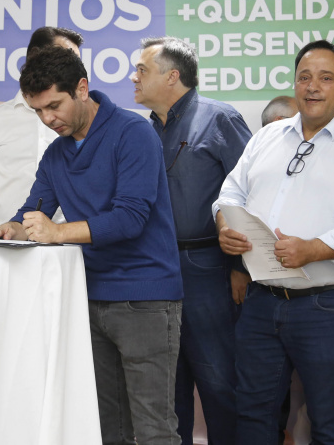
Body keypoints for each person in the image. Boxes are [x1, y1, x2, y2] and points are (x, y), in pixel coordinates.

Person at [0, 46, 183, 445]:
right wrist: (9, 229)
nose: (48, 119)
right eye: (38, 111)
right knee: (106, 427)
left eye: (54, 105)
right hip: (86, 298)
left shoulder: (134, 133)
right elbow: (31, 210)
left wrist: (57, 232)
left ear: (82, 88)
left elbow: (130, 218)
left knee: (154, 429)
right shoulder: (56, 153)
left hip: (145, 299)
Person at [214, 40, 334, 444]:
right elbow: (229, 193)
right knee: (252, 416)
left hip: (328, 306)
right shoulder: (267, 137)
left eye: (325, 78)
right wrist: (223, 226)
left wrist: (315, 249)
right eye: (304, 77)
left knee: (332, 423)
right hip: (261, 302)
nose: (312, 86)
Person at [131, 36, 251, 444]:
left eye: (142, 70)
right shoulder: (142, 131)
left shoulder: (220, 119)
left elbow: (250, 197)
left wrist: (240, 268)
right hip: (154, 272)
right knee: (167, 387)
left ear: (172, 76)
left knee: (220, 383)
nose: (134, 77)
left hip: (210, 271)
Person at [0, 26, 82, 231]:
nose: (73, 68)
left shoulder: (79, 123)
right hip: (2, 244)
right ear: (35, 57)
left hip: (64, 244)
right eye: (65, 57)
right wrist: (14, 222)